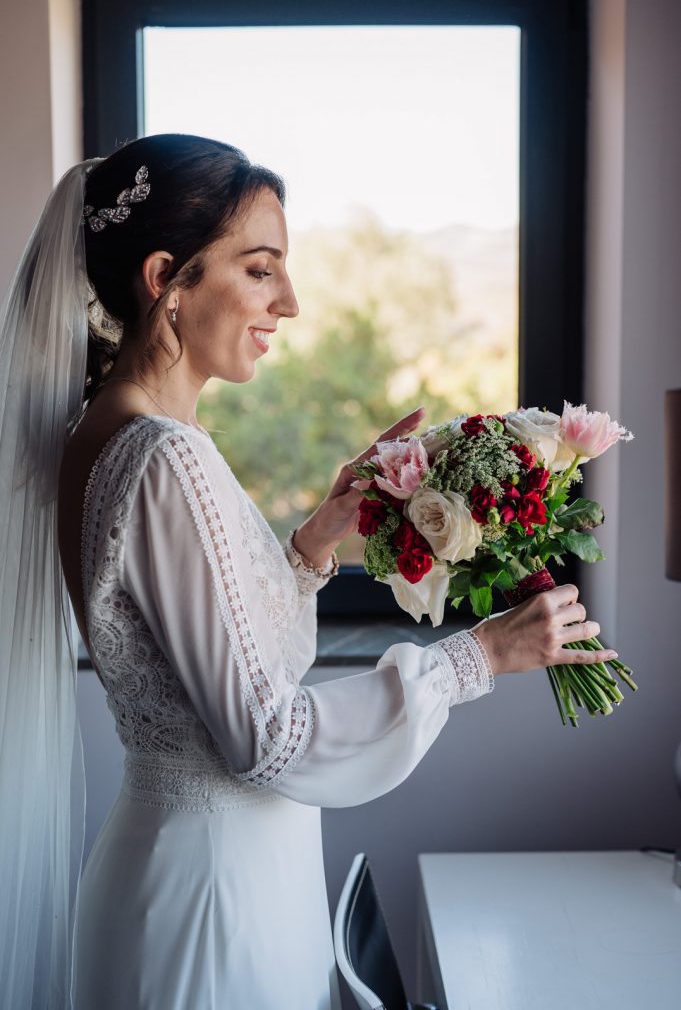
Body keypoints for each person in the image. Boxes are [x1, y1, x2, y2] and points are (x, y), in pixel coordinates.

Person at [0, 133, 615, 1009]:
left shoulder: (107, 430)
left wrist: (314, 542)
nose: (288, 303)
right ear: (166, 279)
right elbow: (268, 737)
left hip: (198, 867)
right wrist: (476, 657)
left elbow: (215, 658)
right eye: (260, 270)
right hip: (211, 902)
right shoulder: (164, 456)